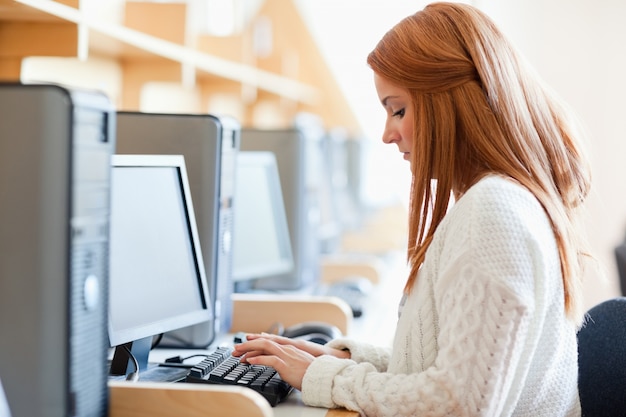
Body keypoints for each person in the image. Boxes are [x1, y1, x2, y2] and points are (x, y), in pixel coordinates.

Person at [232, 2, 592, 415]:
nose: (388, 134)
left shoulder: (492, 212)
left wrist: (326, 379)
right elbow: (454, 369)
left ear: (452, 101)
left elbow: (460, 404)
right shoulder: (500, 201)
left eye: (398, 109)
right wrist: (341, 361)